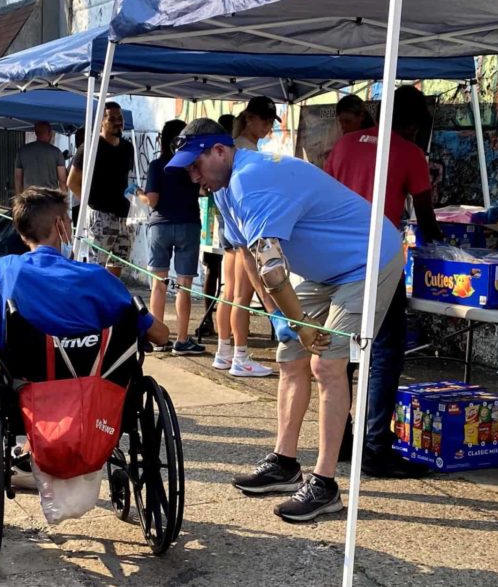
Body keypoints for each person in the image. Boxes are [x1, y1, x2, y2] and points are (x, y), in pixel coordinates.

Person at [168, 118, 403, 522]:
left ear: (220, 151)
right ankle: (284, 462)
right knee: (290, 358)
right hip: (322, 271)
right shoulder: (223, 189)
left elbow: (273, 268)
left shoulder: (251, 182)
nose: (193, 176)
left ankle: (325, 484)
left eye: (195, 165)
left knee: (327, 364)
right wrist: (281, 317)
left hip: (367, 261)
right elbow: (249, 258)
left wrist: (302, 323)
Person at [323, 86, 441, 478]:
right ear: (413, 123)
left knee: (339, 353)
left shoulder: (344, 145)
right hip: (379, 262)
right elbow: (426, 217)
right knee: (384, 353)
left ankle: (341, 439)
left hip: (335, 259)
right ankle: (375, 448)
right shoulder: (409, 152)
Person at [0, 186, 169, 360]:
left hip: (28, 387)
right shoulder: (97, 277)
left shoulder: (3, 271)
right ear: (60, 225)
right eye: (70, 221)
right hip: (95, 391)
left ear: (22, 234)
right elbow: (160, 335)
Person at [211, 97, 281, 378]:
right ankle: (240, 355)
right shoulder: (245, 151)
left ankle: (224, 351)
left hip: (229, 227)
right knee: (241, 294)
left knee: (229, 293)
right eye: (264, 120)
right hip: (242, 228)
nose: (268, 126)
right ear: (250, 118)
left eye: (271, 121)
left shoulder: (234, 147)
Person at [143, 119, 206, 355]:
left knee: (158, 284)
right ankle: (182, 339)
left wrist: (138, 195)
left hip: (160, 226)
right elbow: (204, 189)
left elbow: (152, 200)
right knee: (184, 286)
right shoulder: (193, 165)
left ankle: (158, 338)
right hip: (188, 224)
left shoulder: (157, 165)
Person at [67, 102, 135, 276]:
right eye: (112, 118)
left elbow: (125, 179)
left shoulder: (127, 147)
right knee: (96, 266)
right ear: (101, 122)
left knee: (118, 264)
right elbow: (72, 182)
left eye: (120, 118)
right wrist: (91, 204)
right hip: (100, 216)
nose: (118, 122)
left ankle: (111, 293)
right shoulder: (90, 147)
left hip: (124, 216)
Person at [15, 121, 68, 194]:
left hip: (29, 196)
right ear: (50, 133)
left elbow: (18, 179)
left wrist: (18, 197)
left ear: (36, 133)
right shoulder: (57, 152)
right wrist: (64, 198)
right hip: (50, 197)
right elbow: (62, 181)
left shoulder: (22, 151)